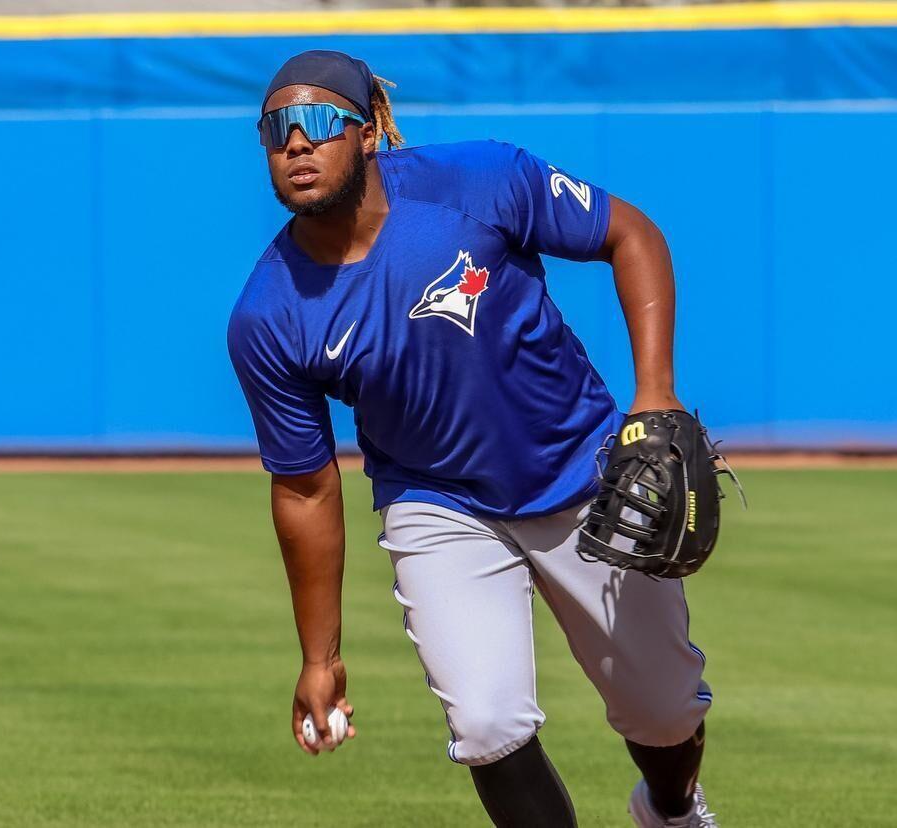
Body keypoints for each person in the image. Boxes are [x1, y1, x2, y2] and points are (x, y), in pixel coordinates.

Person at [227, 49, 718, 827]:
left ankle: (672, 809)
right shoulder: (270, 313)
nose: (295, 142)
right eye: (275, 128)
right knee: (488, 725)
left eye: (318, 120)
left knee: (663, 712)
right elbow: (305, 486)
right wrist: (319, 659)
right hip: (438, 502)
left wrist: (655, 394)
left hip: (579, 472)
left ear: (369, 132)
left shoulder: (481, 181)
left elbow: (632, 235)